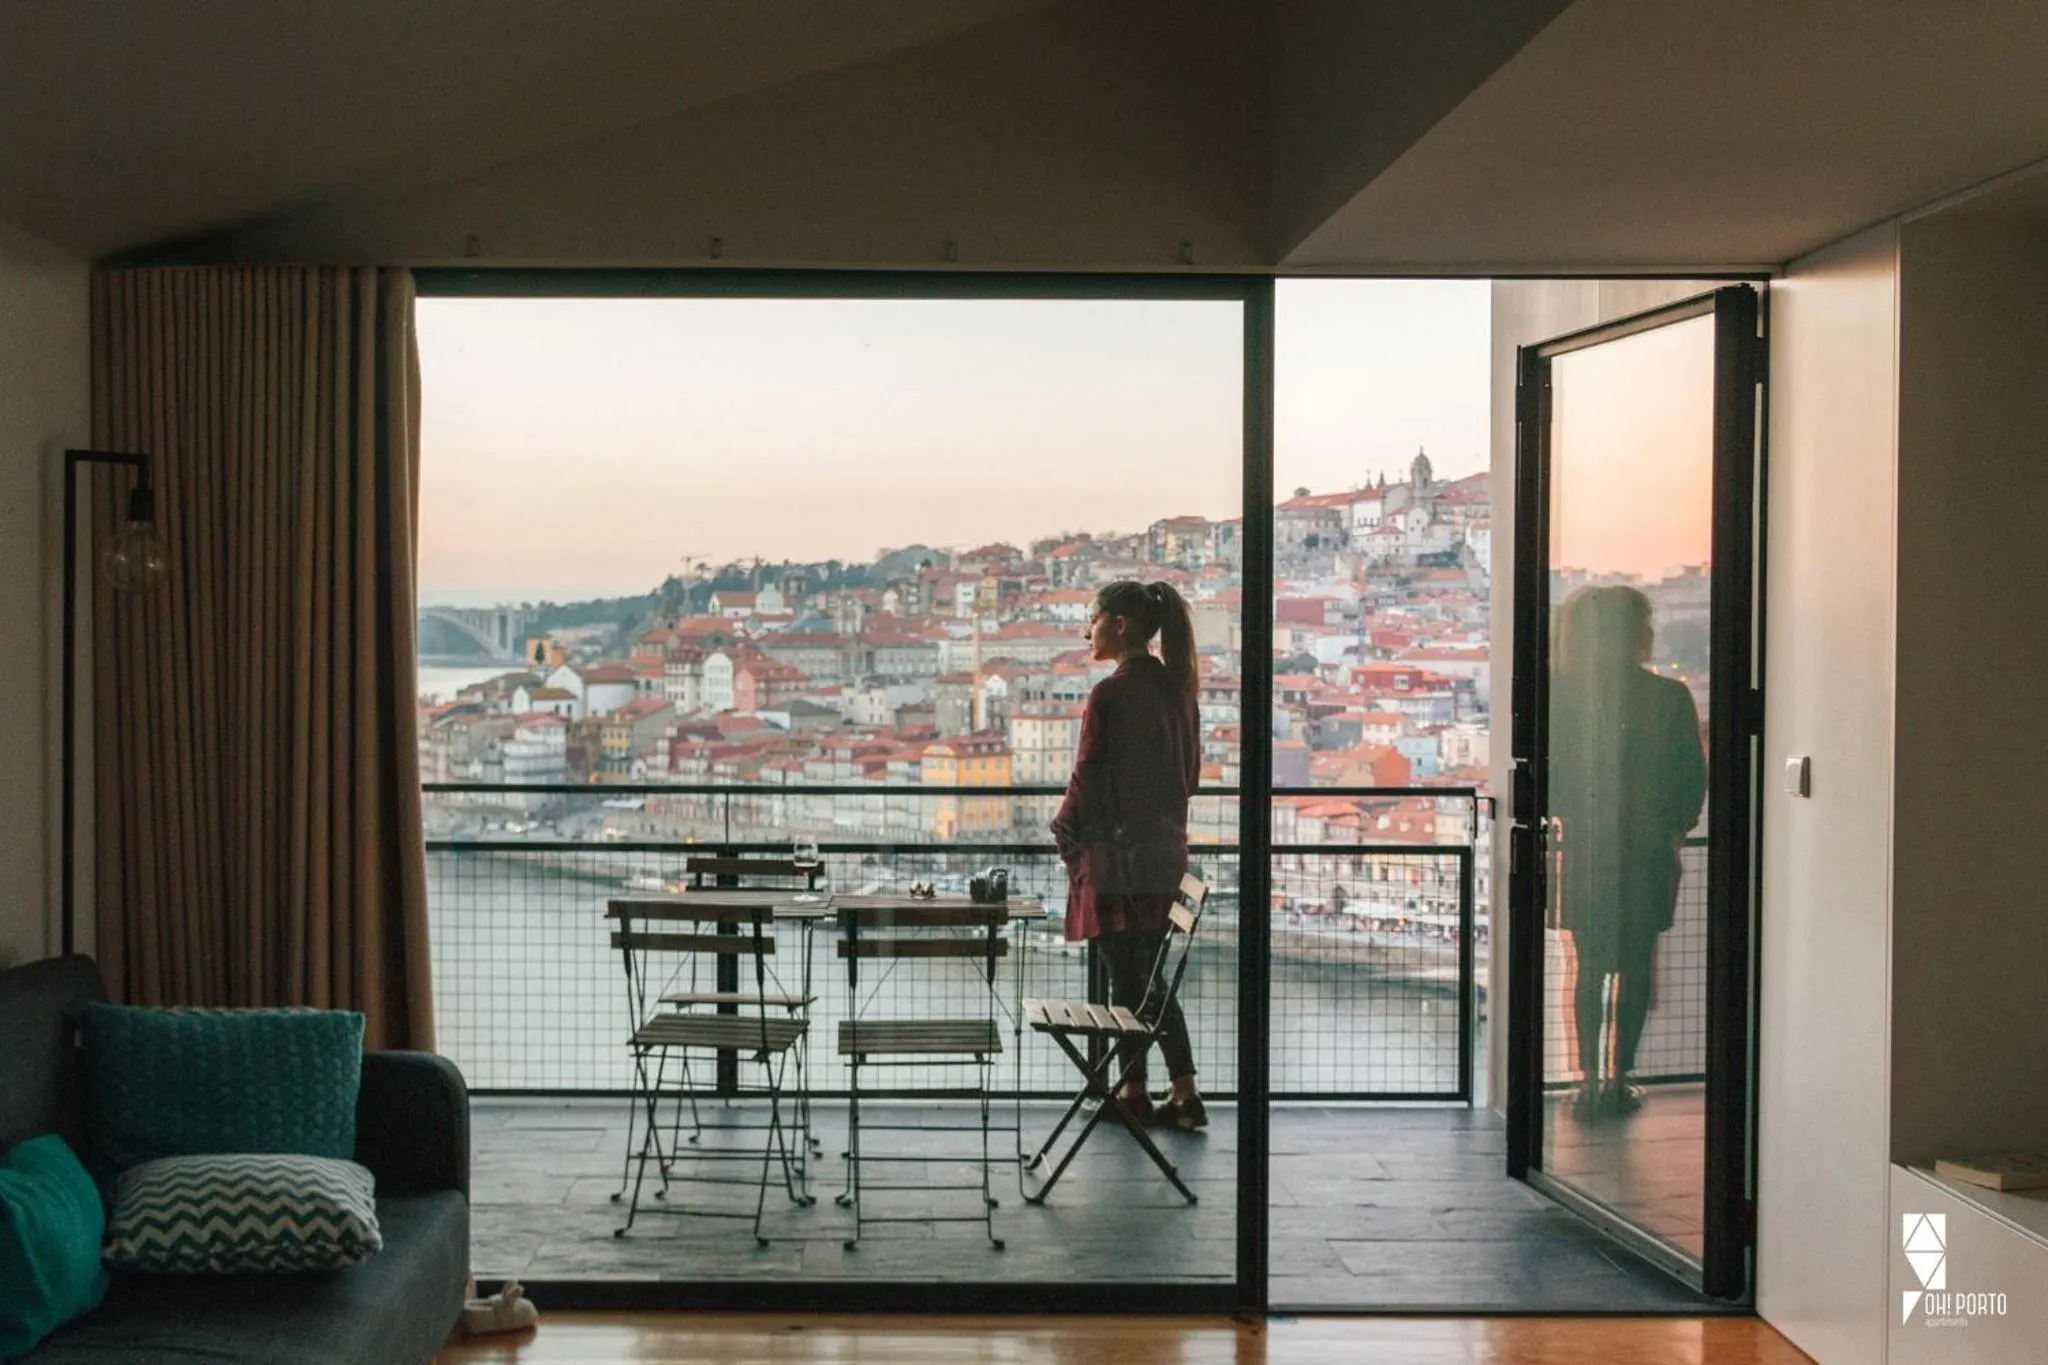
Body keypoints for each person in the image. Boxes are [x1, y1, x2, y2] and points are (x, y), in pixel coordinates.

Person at [1050, 579, 1205, 1130]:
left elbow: (1088, 775)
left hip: (1120, 860)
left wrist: (1064, 827)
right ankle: (1174, 1092)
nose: (1086, 631)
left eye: (1091, 619)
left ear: (1118, 624)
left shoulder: (1110, 695)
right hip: (1165, 856)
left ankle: (1140, 1092)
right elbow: (1190, 778)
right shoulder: (1179, 690)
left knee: (1128, 979)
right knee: (1147, 981)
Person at [1548, 585, 1706, 1120]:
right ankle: (1620, 1077)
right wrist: (1670, 828)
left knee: (1589, 969)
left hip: (1587, 850)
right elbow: (1692, 782)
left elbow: (1549, 783)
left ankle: (1587, 1081)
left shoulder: (1562, 698)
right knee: (1636, 968)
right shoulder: (1669, 698)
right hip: (1648, 852)